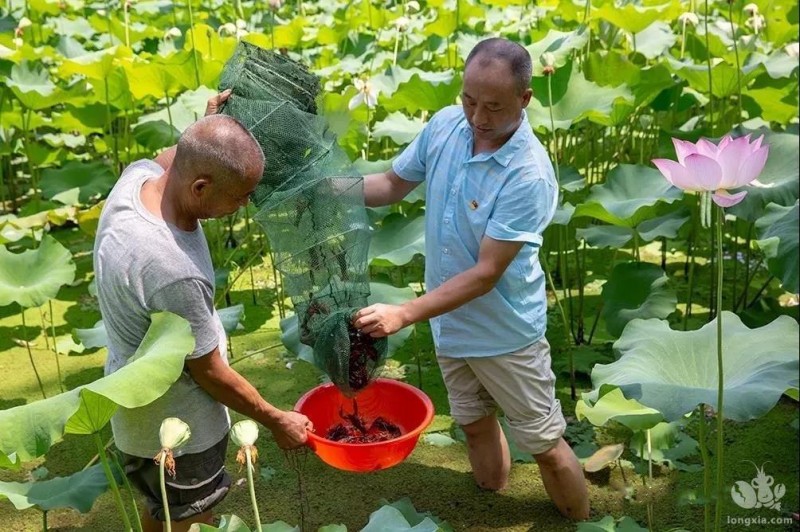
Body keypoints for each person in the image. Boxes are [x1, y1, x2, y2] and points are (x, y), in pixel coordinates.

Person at [353, 38, 590, 520]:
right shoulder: (445, 125)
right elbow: (392, 185)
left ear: (525, 100)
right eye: (469, 100)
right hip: (450, 324)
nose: (478, 116)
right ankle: (487, 507)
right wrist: (327, 191)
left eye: (494, 106)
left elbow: (486, 274)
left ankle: (583, 522)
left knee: (544, 444)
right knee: (474, 424)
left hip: (504, 333)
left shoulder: (529, 174)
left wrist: (404, 312)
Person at [93, 91, 313, 532]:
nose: (245, 205)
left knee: (162, 508)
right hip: (177, 427)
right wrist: (276, 419)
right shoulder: (174, 270)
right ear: (200, 187)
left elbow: (172, 156)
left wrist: (205, 124)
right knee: (190, 515)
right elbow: (208, 371)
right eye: (240, 197)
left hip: (130, 410)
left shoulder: (136, 181)